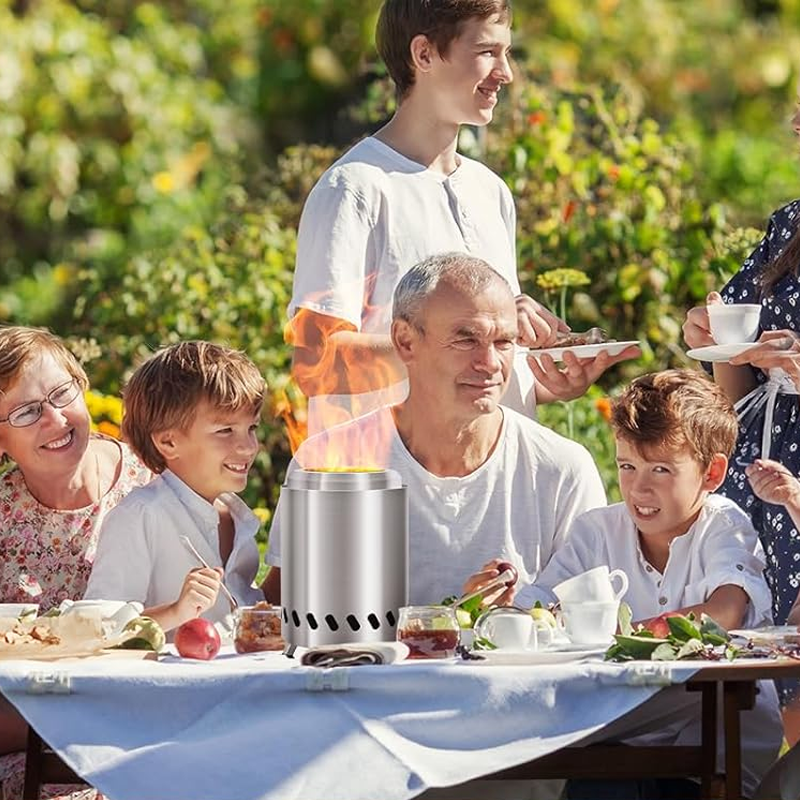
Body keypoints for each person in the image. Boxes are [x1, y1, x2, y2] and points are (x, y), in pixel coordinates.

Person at [288, 0, 639, 435]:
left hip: (493, 485)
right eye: (487, 52)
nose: (506, 72)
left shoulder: (491, 192)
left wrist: (545, 377)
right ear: (424, 54)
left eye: (506, 53)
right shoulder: (354, 189)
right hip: (393, 487)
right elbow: (316, 364)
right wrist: (456, 343)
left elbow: (483, 374)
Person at [264, 253, 607, 607]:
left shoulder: (562, 470)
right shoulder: (329, 465)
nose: (489, 364)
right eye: (466, 340)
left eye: (504, 342)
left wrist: (519, 611)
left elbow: (592, 619)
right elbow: (280, 617)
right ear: (405, 341)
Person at [514, 369, 782, 799]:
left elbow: (724, 612)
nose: (639, 487)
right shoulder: (597, 531)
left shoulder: (722, 523)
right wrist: (508, 608)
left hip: (711, 748)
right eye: (626, 465)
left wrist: (629, 637)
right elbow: (535, 606)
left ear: (711, 474)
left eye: (661, 469)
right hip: (617, 741)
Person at [0, 325, 152, 800]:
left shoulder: (152, 481)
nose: (54, 418)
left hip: (150, 726)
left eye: (61, 393)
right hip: (36, 749)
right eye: (26, 411)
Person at [683, 117, 800, 726]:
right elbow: (736, 383)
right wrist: (715, 341)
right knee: (770, 665)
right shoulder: (790, 223)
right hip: (761, 472)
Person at [85, 341, 265, 633]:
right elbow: (98, 629)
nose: (248, 447)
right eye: (225, 431)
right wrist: (175, 612)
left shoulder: (237, 518)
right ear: (168, 442)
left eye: (252, 428)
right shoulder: (139, 516)